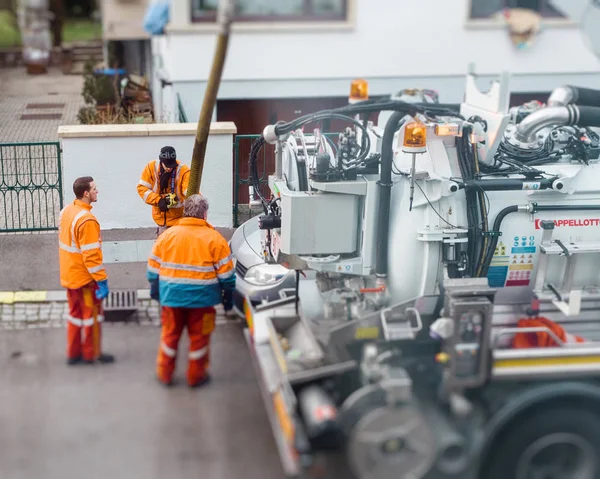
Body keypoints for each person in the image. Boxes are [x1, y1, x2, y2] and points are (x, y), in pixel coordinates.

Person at [147, 194, 235, 387]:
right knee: (199, 340)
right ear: (204, 214)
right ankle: (196, 376)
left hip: (171, 298)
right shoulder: (215, 239)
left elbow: (153, 268)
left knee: (170, 336)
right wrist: (228, 296)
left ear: (185, 212)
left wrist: (155, 289)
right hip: (202, 302)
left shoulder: (167, 236)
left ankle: (165, 373)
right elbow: (227, 276)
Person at [58, 176, 114, 366]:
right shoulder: (87, 221)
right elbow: (91, 256)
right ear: (86, 193)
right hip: (85, 280)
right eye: (94, 188)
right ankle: (92, 354)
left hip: (69, 275)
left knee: (75, 315)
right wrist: (102, 280)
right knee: (92, 318)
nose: (97, 191)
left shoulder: (67, 211)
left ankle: (73, 354)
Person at [137, 146, 191, 236]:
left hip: (179, 220)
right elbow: (142, 189)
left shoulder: (184, 171)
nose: (170, 168)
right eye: (167, 165)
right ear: (161, 161)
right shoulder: (151, 167)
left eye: (172, 165)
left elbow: (191, 195)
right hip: (160, 219)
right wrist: (158, 200)